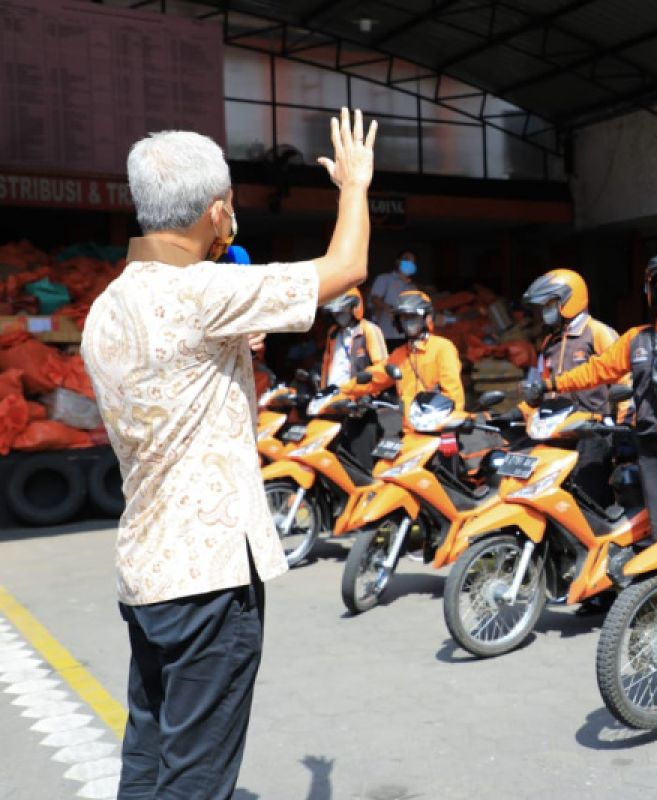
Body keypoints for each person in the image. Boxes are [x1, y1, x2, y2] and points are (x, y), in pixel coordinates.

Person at [80, 107, 377, 798]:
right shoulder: (200, 292)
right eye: (230, 208)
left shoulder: (110, 304)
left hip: (148, 570)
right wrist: (355, 184)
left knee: (149, 756)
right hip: (208, 576)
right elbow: (349, 267)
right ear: (217, 211)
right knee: (198, 778)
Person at [533, 252, 657, 556]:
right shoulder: (636, 339)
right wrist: (550, 384)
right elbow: (597, 369)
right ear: (650, 290)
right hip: (651, 451)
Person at [522, 268, 626, 507]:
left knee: (589, 496)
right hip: (557, 430)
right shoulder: (550, 342)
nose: (544, 311)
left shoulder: (597, 333)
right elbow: (543, 385)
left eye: (550, 304)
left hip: (592, 430)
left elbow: (623, 378)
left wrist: (622, 421)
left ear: (569, 300)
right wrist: (523, 409)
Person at [350, 289, 465, 417]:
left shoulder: (442, 348)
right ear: (398, 322)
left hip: (437, 424)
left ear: (427, 318)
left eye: (413, 317)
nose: (409, 322)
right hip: (408, 426)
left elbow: (453, 392)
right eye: (404, 318)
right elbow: (376, 376)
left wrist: (451, 420)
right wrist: (341, 391)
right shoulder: (399, 354)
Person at [318, 288, 389, 468]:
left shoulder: (369, 330)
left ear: (354, 307)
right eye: (335, 312)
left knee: (361, 464)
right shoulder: (333, 333)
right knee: (333, 461)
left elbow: (381, 368)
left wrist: (364, 392)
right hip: (333, 404)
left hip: (358, 405)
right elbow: (327, 365)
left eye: (342, 310)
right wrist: (322, 391)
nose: (338, 315)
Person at [370, 250, 418, 350]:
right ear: (398, 261)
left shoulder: (413, 287)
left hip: (408, 335)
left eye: (412, 261)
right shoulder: (384, 279)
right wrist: (390, 308)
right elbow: (374, 299)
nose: (410, 263)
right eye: (406, 259)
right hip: (387, 335)